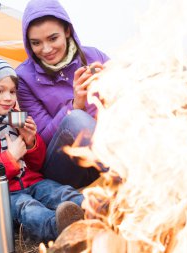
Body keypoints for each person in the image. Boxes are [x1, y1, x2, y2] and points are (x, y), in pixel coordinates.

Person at [0, 57, 85, 243]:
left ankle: (94, 211)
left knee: (59, 191)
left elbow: (37, 165)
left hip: (32, 182)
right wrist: (9, 158)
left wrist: (31, 141)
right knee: (29, 208)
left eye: (12, 91)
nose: (8, 98)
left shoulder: (16, 118)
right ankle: (61, 232)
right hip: (4, 194)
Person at [16, 0, 110, 189]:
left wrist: (115, 83)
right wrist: (75, 105)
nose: (46, 49)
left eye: (53, 38)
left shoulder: (94, 57)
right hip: (62, 166)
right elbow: (41, 140)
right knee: (77, 119)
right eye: (36, 43)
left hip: (105, 154)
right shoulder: (24, 78)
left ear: (67, 31)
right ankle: (133, 182)